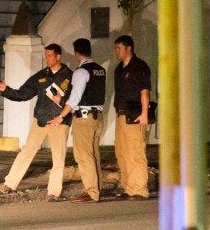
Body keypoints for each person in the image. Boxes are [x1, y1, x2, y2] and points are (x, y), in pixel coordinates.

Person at [0, 44, 73, 202]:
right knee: (26, 152)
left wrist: (63, 111)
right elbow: (23, 94)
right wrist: (5, 90)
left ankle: (54, 192)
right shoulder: (41, 76)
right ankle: (9, 184)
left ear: (58, 56)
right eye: (45, 56)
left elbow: (74, 100)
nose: (47, 59)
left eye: (50, 56)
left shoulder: (70, 76)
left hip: (59, 122)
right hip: (40, 121)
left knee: (58, 158)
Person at [48, 38, 106, 203]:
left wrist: (61, 116)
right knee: (93, 155)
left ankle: (91, 192)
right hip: (97, 117)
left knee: (83, 156)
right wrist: (61, 100)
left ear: (77, 53)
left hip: (85, 119)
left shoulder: (81, 72)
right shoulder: (100, 70)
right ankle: (97, 188)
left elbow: (75, 98)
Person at [112, 35, 151, 200]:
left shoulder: (139, 66)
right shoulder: (119, 68)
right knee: (121, 152)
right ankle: (128, 188)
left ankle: (140, 189)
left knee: (136, 152)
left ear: (129, 48)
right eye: (115, 48)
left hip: (135, 116)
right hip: (121, 116)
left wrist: (144, 114)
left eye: (118, 48)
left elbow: (145, 92)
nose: (116, 51)